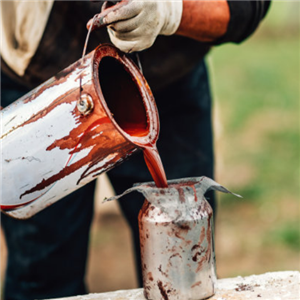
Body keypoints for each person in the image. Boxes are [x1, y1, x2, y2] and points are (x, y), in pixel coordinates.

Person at [0, 1, 270, 299]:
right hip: (38, 91)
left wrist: (171, 11)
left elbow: (249, 6)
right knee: (43, 274)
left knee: (183, 266)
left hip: (166, 84)